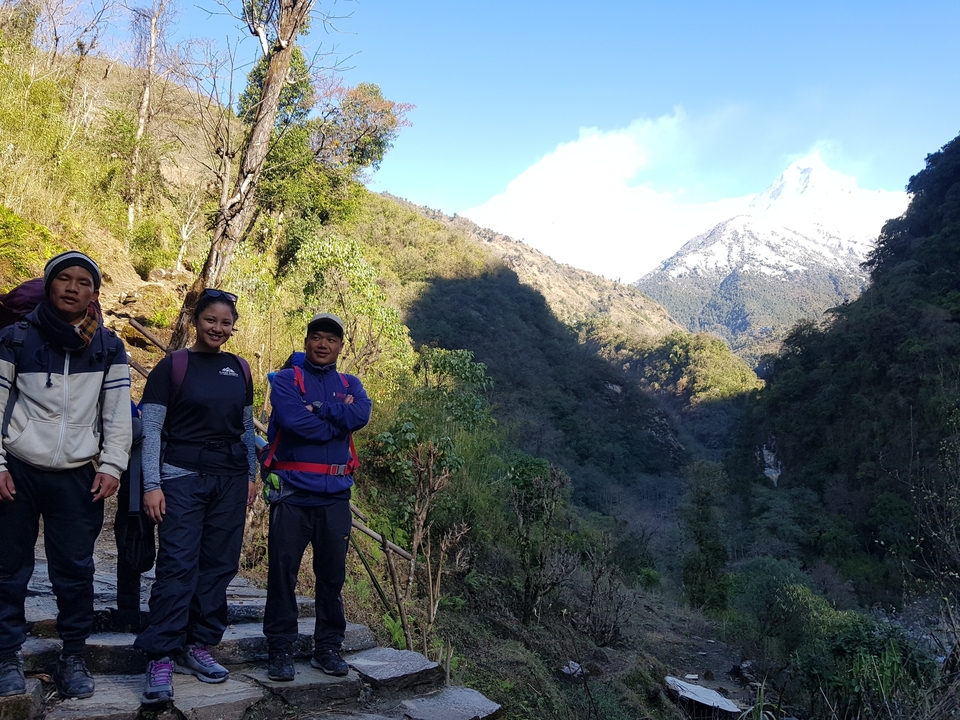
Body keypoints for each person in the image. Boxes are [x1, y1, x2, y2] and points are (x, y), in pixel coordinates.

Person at [0, 251, 132, 699]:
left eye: (84, 282)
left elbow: (117, 414)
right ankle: (6, 655)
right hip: (17, 469)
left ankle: (73, 655)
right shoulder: (16, 338)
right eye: (64, 279)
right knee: (8, 567)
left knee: (75, 570)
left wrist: (112, 465)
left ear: (94, 293)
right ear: (49, 284)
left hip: (77, 474)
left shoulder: (108, 347)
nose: (73, 287)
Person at [134, 289, 256, 705]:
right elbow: (151, 429)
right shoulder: (173, 366)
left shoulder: (239, 368)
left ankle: (197, 644)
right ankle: (161, 654)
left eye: (226, 323)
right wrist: (152, 484)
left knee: (219, 565)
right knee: (177, 565)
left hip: (230, 479)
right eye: (210, 320)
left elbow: (245, 428)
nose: (217, 329)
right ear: (196, 320)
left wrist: (251, 474)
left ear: (232, 327)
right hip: (181, 477)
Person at [262, 313, 371, 682]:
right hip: (293, 494)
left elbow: (362, 413)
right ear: (306, 340)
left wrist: (323, 410)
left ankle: (327, 648)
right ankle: (280, 649)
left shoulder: (350, 382)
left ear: (341, 346)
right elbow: (294, 421)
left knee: (332, 576)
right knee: (282, 574)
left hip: (335, 497)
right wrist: (337, 423)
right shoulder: (287, 379)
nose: (323, 344)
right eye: (317, 337)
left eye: (331, 339)